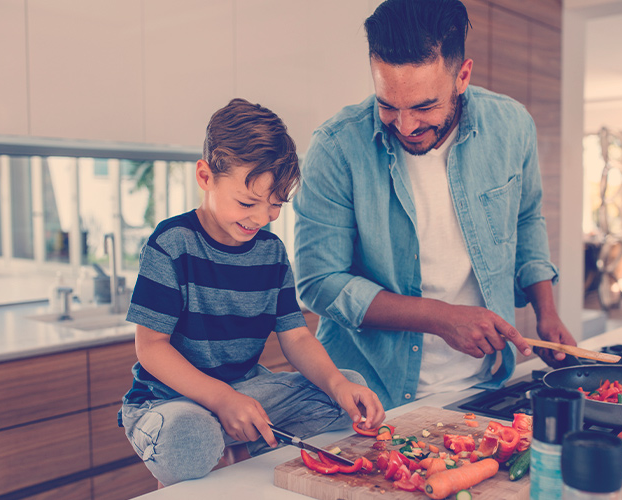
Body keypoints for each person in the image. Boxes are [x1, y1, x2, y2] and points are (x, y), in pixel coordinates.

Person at [293, 0, 576, 410]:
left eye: (424, 106)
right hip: (368, 395)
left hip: (486, 387)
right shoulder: (336, 147)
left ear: (462, 75)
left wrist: (545, 309)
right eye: (387, 104)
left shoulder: (512, 126)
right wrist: (440, 317)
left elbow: (527, 218)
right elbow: (320, 282)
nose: (405, 126)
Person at [118, 98, 385, 486]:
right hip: (168, 401)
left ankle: (229, 445)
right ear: (206, 177)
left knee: (345, 391)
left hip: (244, 390)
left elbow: (295, 336)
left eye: (275, 205)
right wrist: (222, 400)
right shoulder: (171, 243)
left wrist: (337, 384)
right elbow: (151, 347)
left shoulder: (271, 252)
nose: (261, 218)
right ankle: (222, 444)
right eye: (247, 202)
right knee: (189, 435)